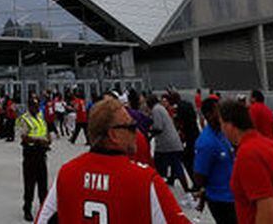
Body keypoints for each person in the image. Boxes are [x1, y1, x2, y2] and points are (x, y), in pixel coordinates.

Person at [34, 96, 191, 224]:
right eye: (130, 127)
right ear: (113, 135)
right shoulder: (145, 181)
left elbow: (42, 220)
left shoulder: (67, 173)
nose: (136, 132)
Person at [191, 97, 236, 224]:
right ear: (209, 115)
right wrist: (206, 191)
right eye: (218, 110)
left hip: (233, 196)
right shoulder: (206, 142)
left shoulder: (222, 133)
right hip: (221, 201)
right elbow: (199, 175)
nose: (222, 113)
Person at [18, 96, 52, 221]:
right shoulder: (24, 119)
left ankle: (45, 208)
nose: (37, 108)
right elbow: (24, 137)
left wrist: (48, 139)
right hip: (30, 154)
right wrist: (39, 140)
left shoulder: (40, 118)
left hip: (41, 154)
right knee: (30, 184)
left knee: (43, 184)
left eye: (38, 106)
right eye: (34, 106)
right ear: (29, 107)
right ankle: (27, 208)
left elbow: (45, 131)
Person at [150, 92, 192, 193]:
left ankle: (159, 189)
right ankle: (186, 189)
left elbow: (158, 127)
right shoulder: (161, 108)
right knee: (177, 165)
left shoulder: (156, 109)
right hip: (174, 142)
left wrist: (150, 133)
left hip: (166, 145)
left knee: (159, 165)